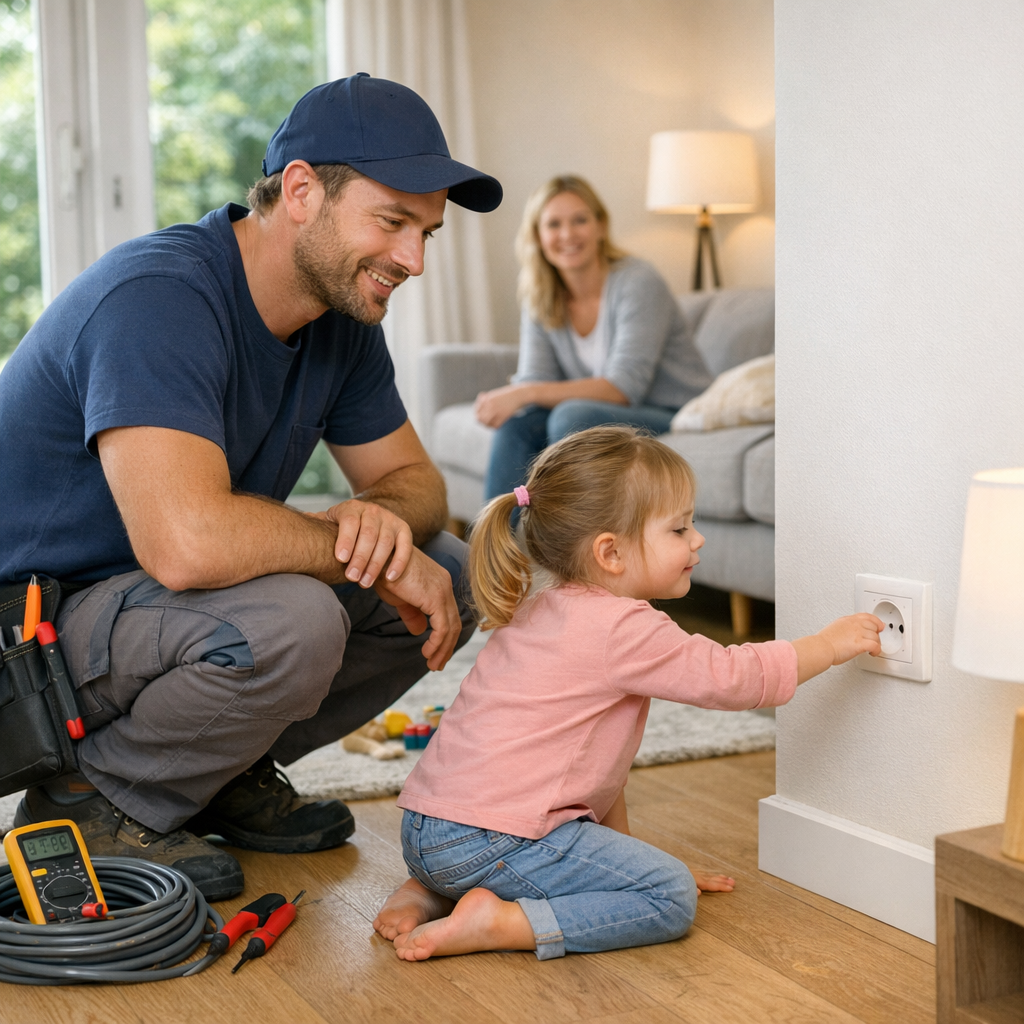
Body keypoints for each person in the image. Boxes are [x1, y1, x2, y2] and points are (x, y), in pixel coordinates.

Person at [0, 73, 502, 900]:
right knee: (291, 619)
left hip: (136, 620)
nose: (411, 260)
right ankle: (89, 803)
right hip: (28, 648)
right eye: (391, 222)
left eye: (425, 233)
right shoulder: (160, 297)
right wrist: (354, 543)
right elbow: (188, 545)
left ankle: (218, 771)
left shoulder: (339, 320)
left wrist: (374, 523)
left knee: (447, 568)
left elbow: (417, 485)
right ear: (301, 190)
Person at [372, 426, 884, 961]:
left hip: (426, 833)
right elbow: (732, 677)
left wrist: (623, 859)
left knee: (601, 859)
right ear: (610, 553)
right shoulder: (622, 626)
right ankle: (499, 922)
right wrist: (826, 645)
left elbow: (593, 771)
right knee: (667, 893)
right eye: (679, 528)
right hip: (494, 842)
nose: (697, 540)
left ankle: (428, 892)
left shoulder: (538, 604)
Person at [476, 176, 713, 500]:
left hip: (672, 411)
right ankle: (492, 547)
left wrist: (522, 392)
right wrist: (521, 395)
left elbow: (623, 387)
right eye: (554, 224)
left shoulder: (638, 281)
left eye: (580, 220)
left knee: (571, 416)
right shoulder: (541, 294)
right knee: (519, 425)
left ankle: (566, 545)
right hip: (608, 414)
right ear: (537, 236)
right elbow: (536, 379)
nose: (567, 234)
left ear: (601, 226)